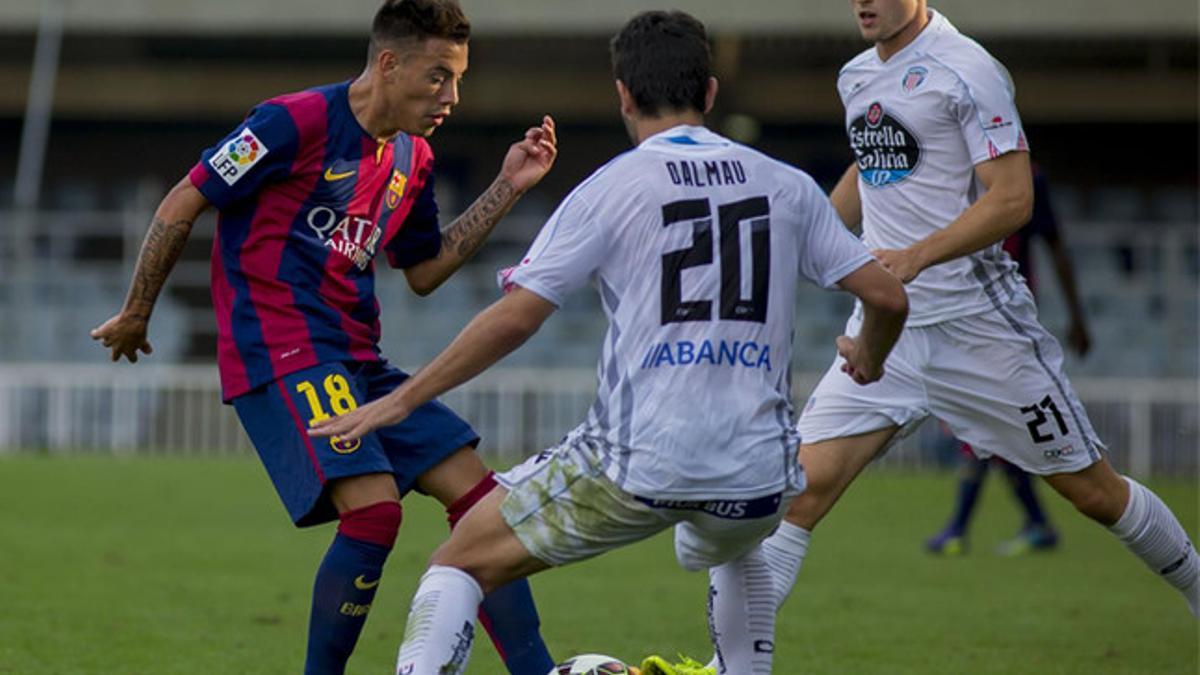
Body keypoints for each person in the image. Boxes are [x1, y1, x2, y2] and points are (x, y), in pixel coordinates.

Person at [309, 10, 908, 675]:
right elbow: (887, 297)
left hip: (639, 459)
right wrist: (870, 353)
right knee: (741, 542)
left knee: (459, 562)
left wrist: (399, 401)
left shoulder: (613, 187)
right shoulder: (787, 186)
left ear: (623, 95)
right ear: (709, 94)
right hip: (760, 468)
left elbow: (514, 319)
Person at [89, 2, 558, 673]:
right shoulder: (293, 120)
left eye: (457, 80)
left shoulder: (413, 156)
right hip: (281, 350)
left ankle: (540, 669)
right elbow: (184, 198)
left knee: (487, 509)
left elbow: (424, 269)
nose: (451, 97)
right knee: (374, 514)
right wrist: (138, 310)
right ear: (389, 63)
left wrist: (508, 187)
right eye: (438, 77)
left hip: (360, 362)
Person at [750, 0, 1199, 632]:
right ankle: (731, 664)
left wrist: (915, 256)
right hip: (887, 336)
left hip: (979, 333)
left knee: (1096, 495)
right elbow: (869, 168)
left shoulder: (969, 70)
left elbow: (1014, 199)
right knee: (794, 497)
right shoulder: (856, 76)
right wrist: (810, 239)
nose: (863, 2)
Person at [926, 167, 1092, 556]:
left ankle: (961, 529)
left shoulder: (1026, 180)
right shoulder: (947, 172)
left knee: (990, 426)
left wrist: (1077, 317)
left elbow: (1055, 245)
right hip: (956, 313)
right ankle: (1033, 523)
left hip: (1003, 319)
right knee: (993, 427)